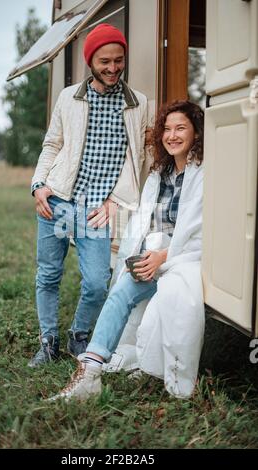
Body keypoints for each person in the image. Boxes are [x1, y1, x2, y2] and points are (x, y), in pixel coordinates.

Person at [47, 100, 205, 400]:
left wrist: (163, 256)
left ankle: (169, 375)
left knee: (166, 296)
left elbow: (205, 234)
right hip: (151, 259)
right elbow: (143, 223)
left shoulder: (204, 176)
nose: (172, 135)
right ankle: (89, 373)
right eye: (167, 129)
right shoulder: (161, 174)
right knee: (119, 291)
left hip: (183, 260)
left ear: (196, 133)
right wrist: (145, 254)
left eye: (181, 128)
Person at [28, 23, 147, 367]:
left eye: (119, 60)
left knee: (97, 282)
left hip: (96, 209)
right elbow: (52, 145)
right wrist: (39, 185)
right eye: (104, 62)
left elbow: (136, 158)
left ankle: (78, 336)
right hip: (58, 200)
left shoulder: (138, 103)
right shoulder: (69, 98)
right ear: (90, 62)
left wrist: (115, 201)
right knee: (49, 274)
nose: (112, 68)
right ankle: (47, 341)